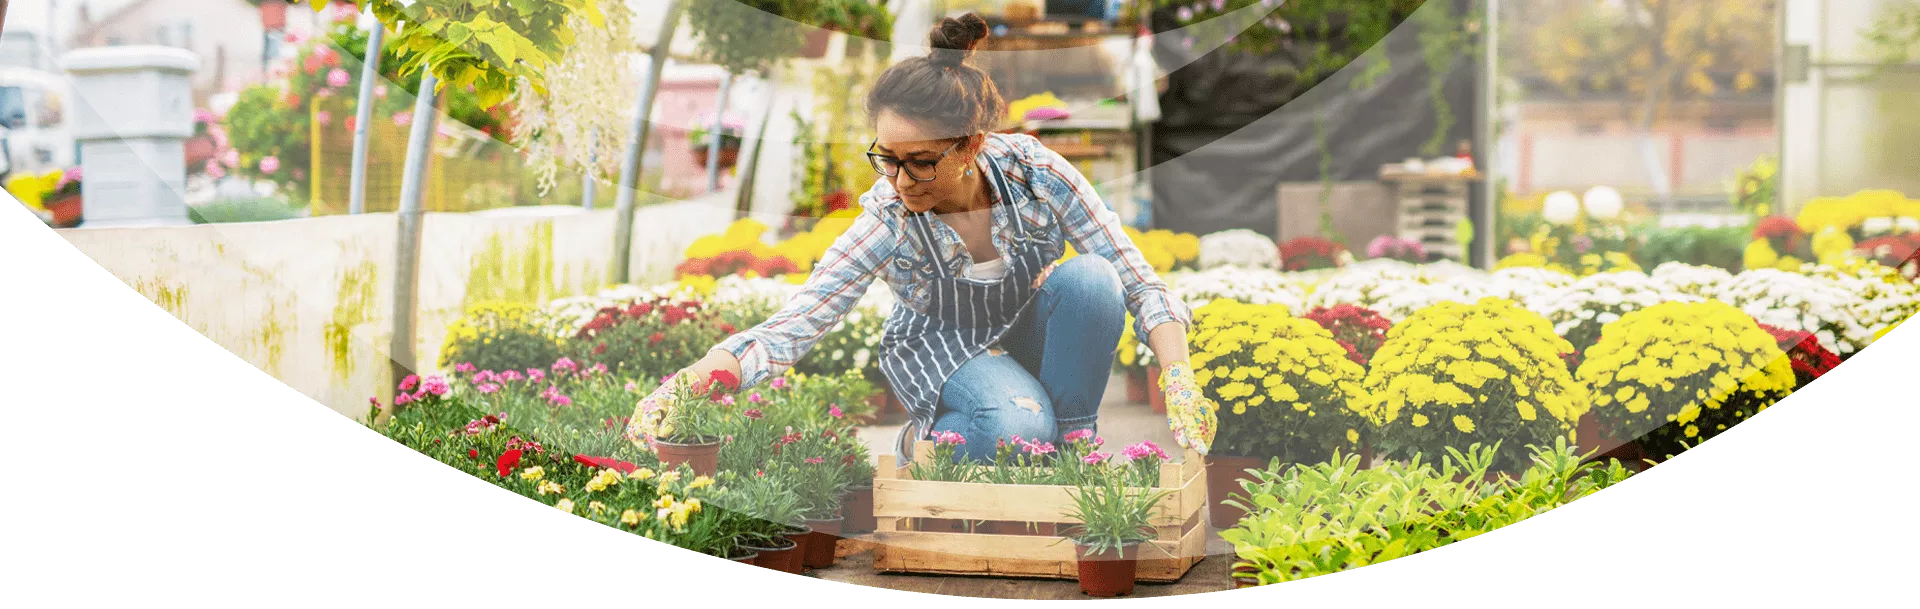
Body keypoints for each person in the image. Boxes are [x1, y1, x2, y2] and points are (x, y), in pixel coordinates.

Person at [631, 13, 1217, 464]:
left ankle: (1076, 451)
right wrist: (687, 386)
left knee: (1093, 279)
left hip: (1024, 330)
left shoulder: (1037, 174)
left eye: (919, 162)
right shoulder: (887, 218)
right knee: (1016, 431)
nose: (898, 179)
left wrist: (1179, 379)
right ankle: (923, 442)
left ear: (969, 146)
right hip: (945, 349)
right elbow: (796, 322)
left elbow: (1135, 276)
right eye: (885, 158)